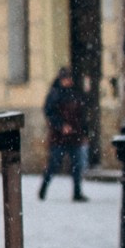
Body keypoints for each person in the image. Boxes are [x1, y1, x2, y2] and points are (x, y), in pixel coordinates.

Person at [39, 68, 92, 201]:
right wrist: (61, 125)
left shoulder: (75, 93)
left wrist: (84, 132)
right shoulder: (55, 94)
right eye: (66, 78)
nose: (68, 81)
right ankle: (43, 189)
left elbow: (81, 115)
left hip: (75, 135)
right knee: (54, 164)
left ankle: (77, 192)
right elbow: (49, 112)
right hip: (59, 137)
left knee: (77, 166)